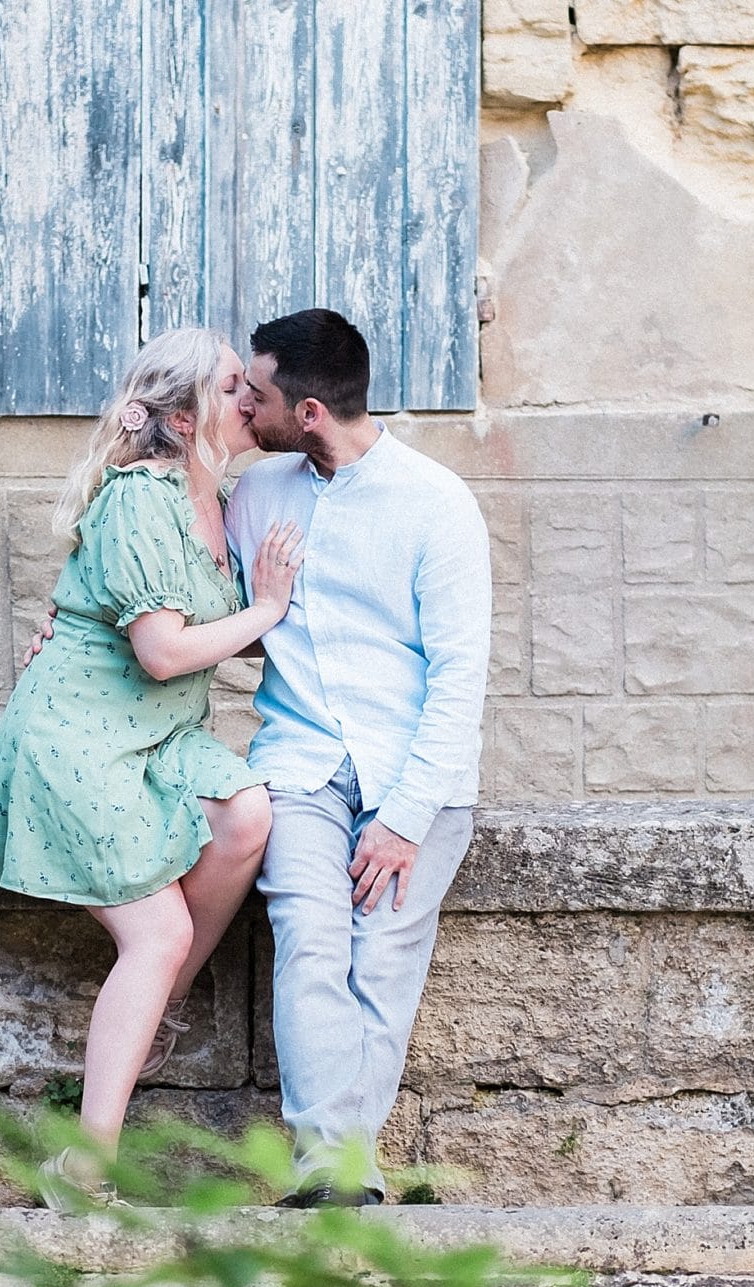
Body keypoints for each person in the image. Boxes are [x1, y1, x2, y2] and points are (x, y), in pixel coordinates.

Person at [0, 327, 304, 1210]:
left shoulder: (227, 496)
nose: (249, 397)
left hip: (158, 738)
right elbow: (162, 652)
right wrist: (267, 608)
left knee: (248, 814)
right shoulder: (144, 498)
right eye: (231, 387)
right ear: (184, 420)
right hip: (82, 740)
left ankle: (152, 1015)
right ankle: (84, 1165)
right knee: (159, 933)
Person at [225, 309, 492, 1206]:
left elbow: (461, 678)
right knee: (310, 939)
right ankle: (336, 1175)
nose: (241, 406)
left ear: (305, 412)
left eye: (254, 394)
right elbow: (180, 601)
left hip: (416, 777)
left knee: (381, 964)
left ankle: (339, 1178)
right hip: (300, 764)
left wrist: (405, 822)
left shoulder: (437, 503)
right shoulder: (257, 497)